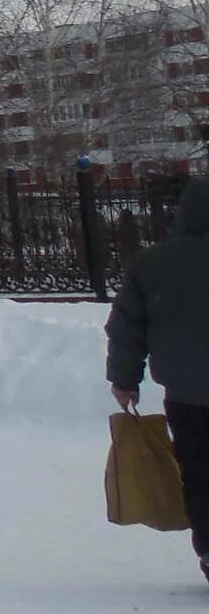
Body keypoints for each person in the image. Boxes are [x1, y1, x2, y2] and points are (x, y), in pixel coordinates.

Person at [106, 176, 209, 584]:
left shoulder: (151, 263)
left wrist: (124, 379)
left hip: (187, 396)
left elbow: (127, 328)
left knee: (201, 473)